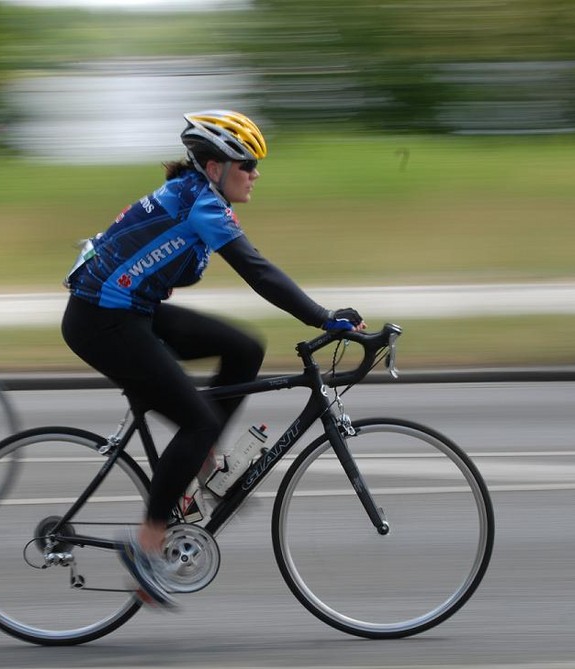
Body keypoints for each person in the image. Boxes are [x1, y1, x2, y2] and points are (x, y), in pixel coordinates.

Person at [61, 110, 365, 608]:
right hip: (102, 323)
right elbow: (258, 271)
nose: (256, 173)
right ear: (215, 166)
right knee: (198, 421)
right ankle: (147, 544)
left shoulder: (197, 195)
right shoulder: (200, 203)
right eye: (247, 164)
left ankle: (203, 470)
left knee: (245, 348)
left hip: (131, 311)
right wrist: (322, 317)